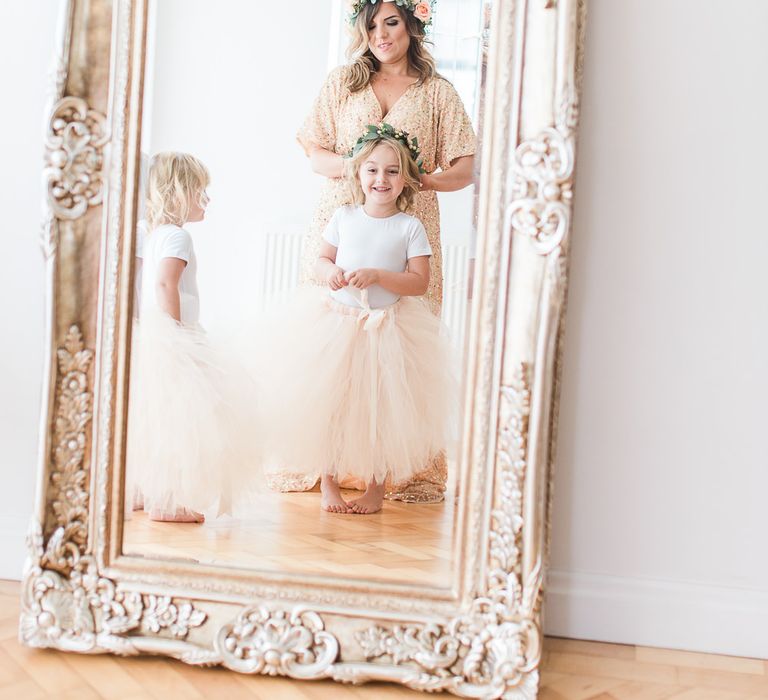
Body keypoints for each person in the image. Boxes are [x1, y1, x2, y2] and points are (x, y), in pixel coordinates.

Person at [284, 0, 476, 503]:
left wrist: (418, 179)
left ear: (413, 24)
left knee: (397, 352)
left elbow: (464, 166)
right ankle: (326, 466)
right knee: (331, 351)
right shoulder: (343, 83)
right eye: (370, 25)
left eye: (391, 22)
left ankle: (392, 468)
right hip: (342, 220)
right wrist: (358, 167)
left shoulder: (438, 93)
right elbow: (314, 151)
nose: (380, 35)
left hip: (407, 225)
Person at [262, 127, 456, 514]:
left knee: (381, 409)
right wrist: (328, 272)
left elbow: (419, 282)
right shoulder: (344, 216)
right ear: (358, 174)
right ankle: (329, 483)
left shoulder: (409, 227)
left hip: (386, 329)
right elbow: (320, 259)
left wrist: (380, 276)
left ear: (405, 179)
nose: (380, 180)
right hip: (336, 324)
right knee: (331, 405)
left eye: (391, 172)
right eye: (372, 170)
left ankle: (375, 488)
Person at [126, 152, 258, 522]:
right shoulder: (177, 237)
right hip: (173, 335)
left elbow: (141, 284)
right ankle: (166, 502)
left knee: (153, 416)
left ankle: (139, 490)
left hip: (154, 333)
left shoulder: (148, 234)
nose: (207, 199)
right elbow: (166, 283)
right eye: (201, 190)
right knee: (182, 423)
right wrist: (177, 335)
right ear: (180, 192)